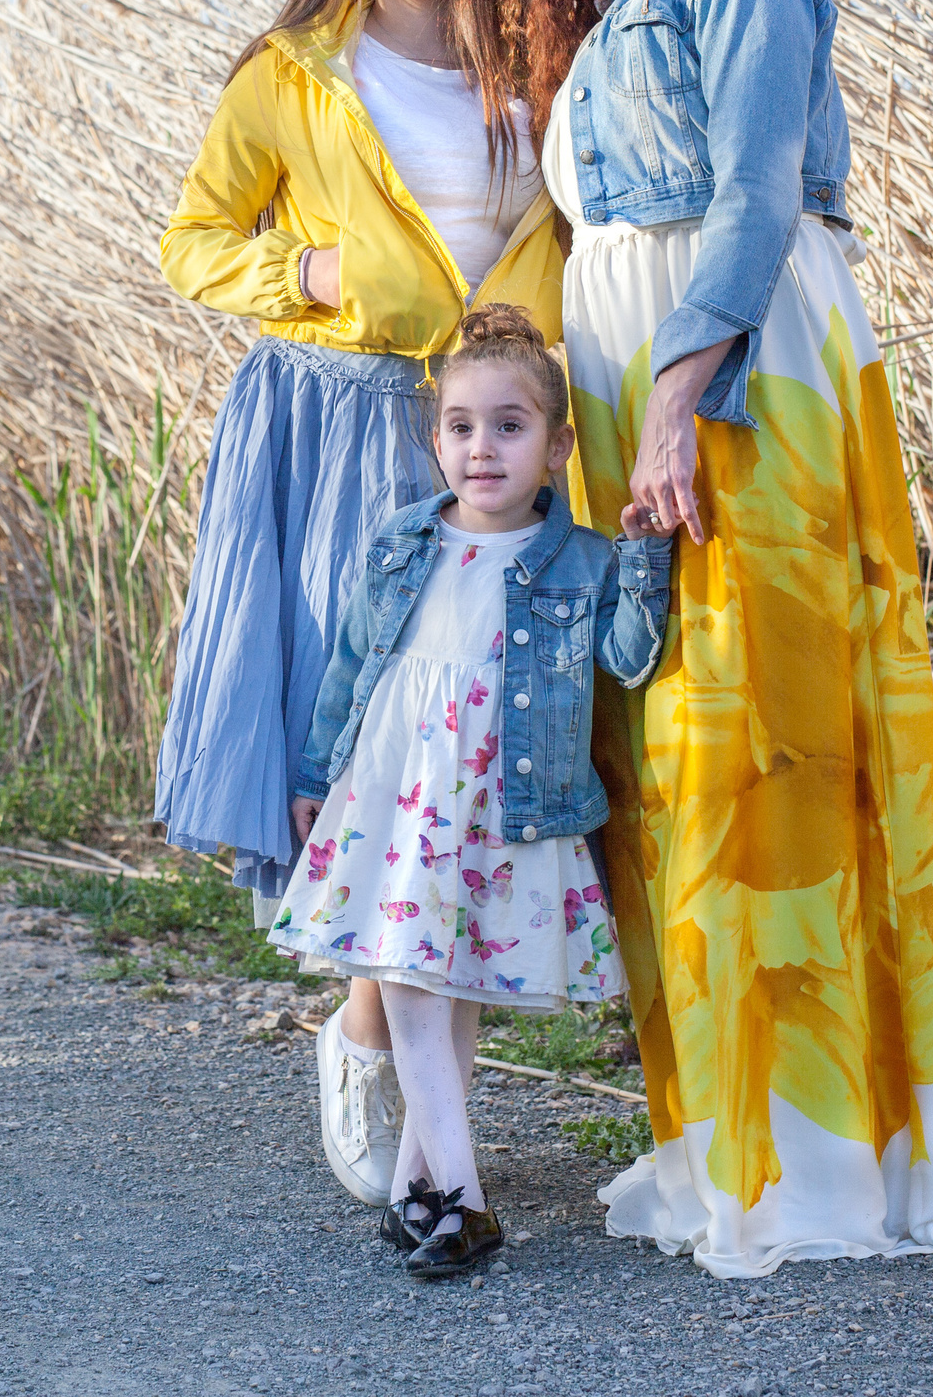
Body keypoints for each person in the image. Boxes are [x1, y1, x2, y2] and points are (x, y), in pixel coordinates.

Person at [517, 0, 933, 1275]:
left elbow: (752, 192)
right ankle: (717, 1151)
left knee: (775, 752)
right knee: (679, 761)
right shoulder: (608, 14)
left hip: (743, 377)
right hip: (638, 395)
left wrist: (682, 391)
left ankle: (821, 1170)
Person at [156, 0, 564, 1208]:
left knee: (476, 753)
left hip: (496, 428)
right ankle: (375, 1047)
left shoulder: (534, 59)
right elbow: (195, 244)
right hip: (340, 422)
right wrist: (314, 279)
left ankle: (369, 1023)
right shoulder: (292, 75)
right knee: (379, 744)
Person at [271, 305, 669, 1277]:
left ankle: (421, 1188)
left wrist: (647, 557)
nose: (480, 447)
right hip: (397, 789)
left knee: (448, 992)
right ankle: (461, 1198)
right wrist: (317, 771)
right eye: (459, 425)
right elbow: (351, 662)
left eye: (509, 424)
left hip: (502, 801)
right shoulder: (405, 541)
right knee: (406, 973)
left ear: (557, 443)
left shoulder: (576, 561)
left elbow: (627, 659)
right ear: (434, 435)